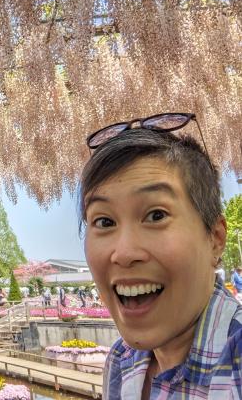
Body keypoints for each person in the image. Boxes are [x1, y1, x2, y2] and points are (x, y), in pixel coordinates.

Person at [81, 115, 241, 399]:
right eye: (105, 222)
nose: (125, 254)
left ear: (215, 240)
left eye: (156, 215)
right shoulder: (122, 361)